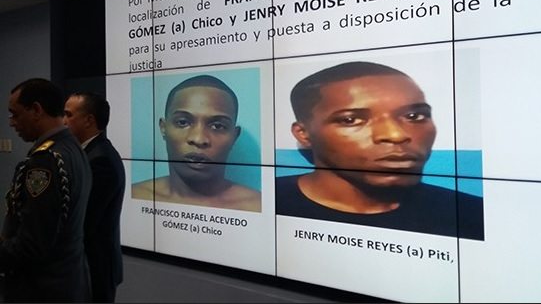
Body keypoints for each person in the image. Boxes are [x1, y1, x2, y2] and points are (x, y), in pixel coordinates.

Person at [276, 61, 484, 240]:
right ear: (303, 134)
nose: (395, 135)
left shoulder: (472, 214)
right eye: (351, 120)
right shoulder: (273, 201)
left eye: (414, 116)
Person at [0, 78, 92, 302]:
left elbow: (33, 244)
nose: (12, 123)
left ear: (36, 110)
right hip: (68, 282)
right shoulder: (72, 147)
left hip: (42, 288)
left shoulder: (45, 161)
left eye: (15, 114)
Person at [132, 74, 261, 212]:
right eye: (183, 122)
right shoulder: (133, 195)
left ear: (234, 137)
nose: (199, 139)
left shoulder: (257, 206)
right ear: (163, 128)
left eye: (217, 126)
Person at [64, 91, 126, 303]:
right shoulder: (89, 153)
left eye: (69, 114)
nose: (63, 121)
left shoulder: (100, 160)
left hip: (94, 267)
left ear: (89, 120)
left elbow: (84, 220)